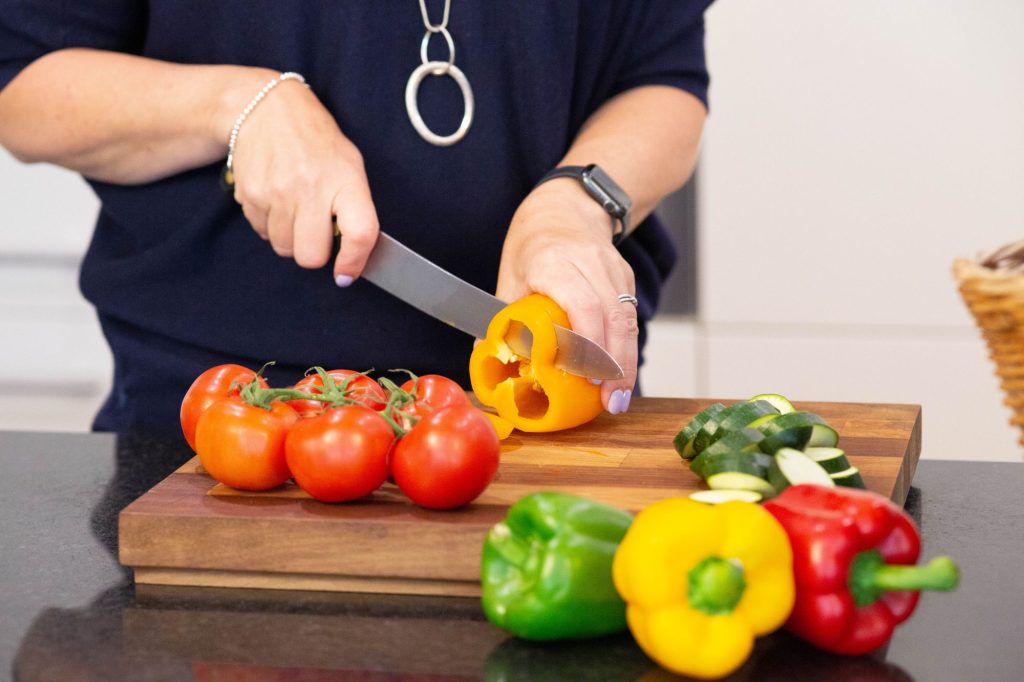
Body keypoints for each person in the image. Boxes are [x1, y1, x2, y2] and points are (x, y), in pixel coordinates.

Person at [0, 1, 711, 438]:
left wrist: (576, 204)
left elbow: (663, 80)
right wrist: (237, 105)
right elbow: (21, 87)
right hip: (224, 423)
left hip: (551, 408)